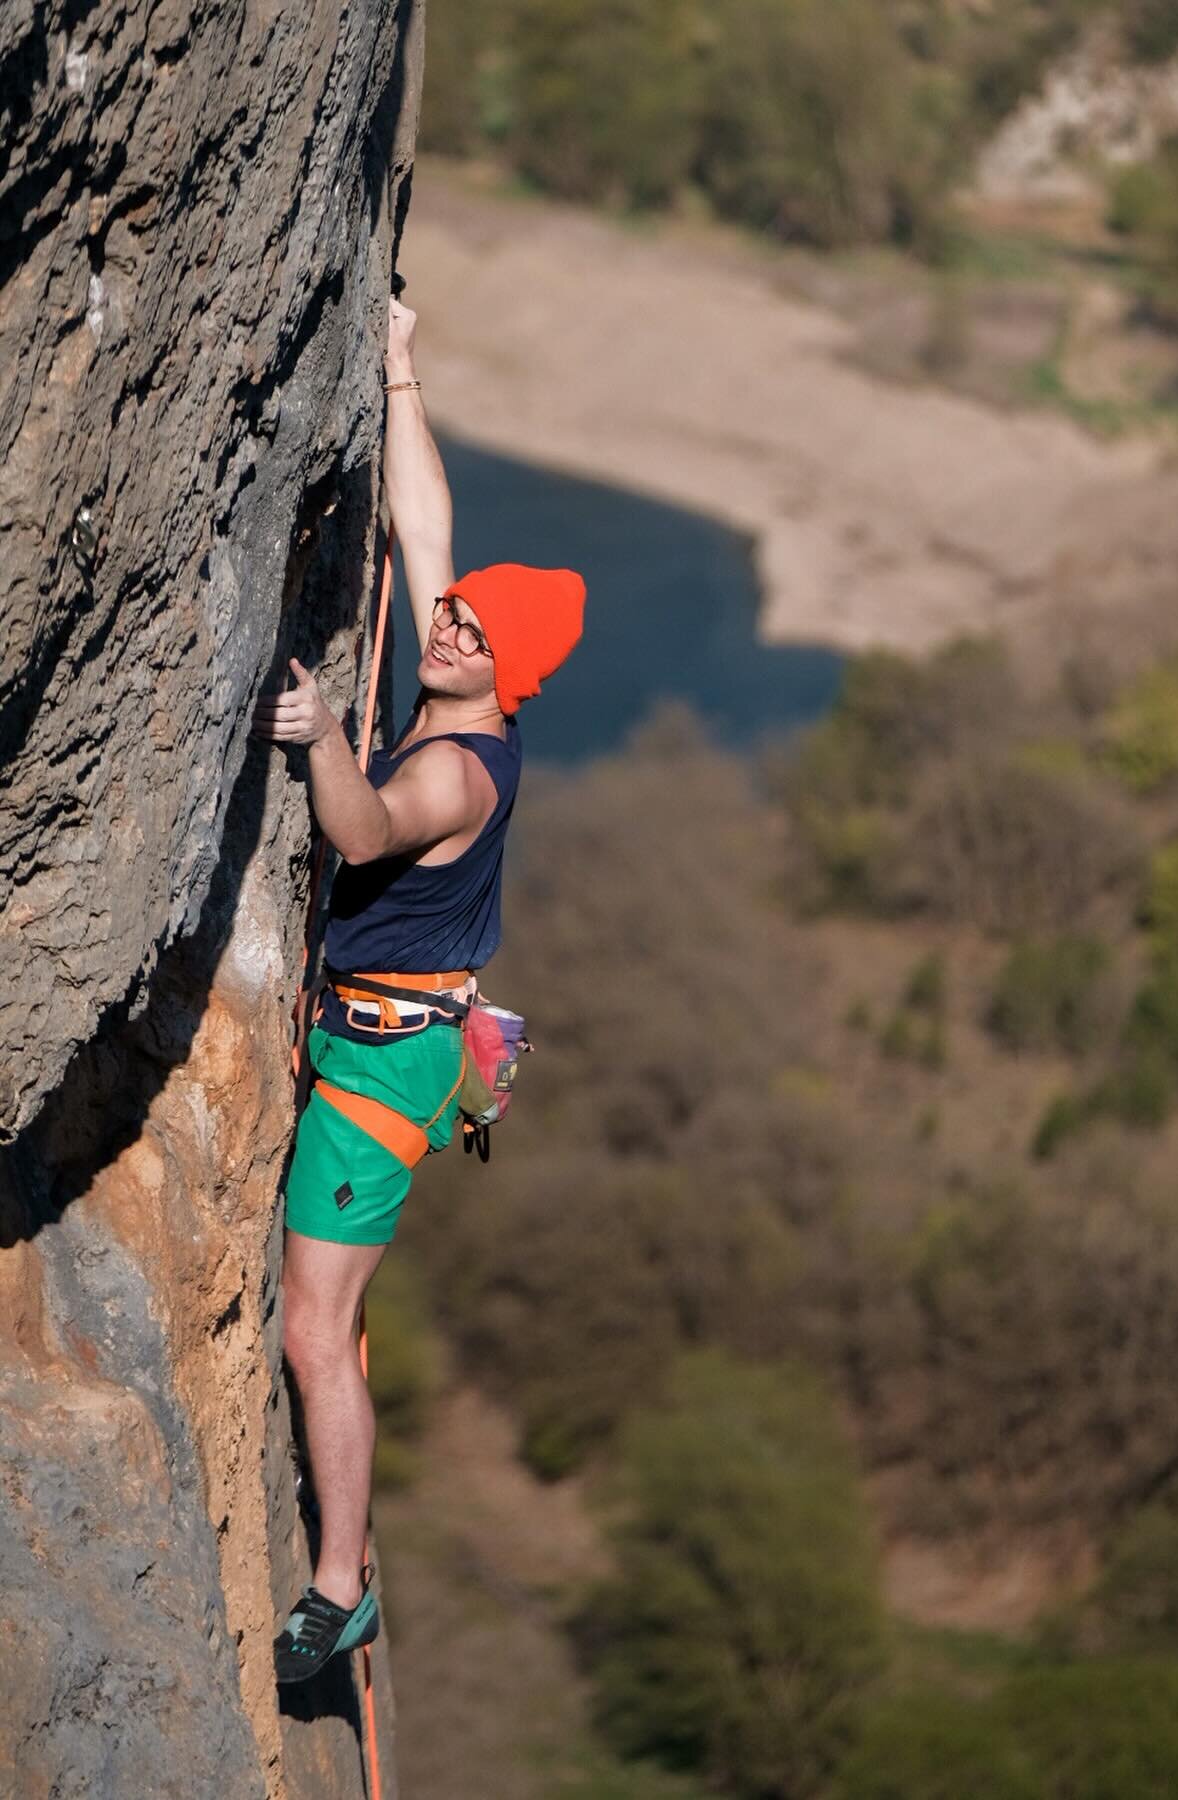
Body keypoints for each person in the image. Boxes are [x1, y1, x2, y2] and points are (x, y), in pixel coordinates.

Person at [252, 294, 585, 1682]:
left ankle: (342, 1588)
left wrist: (327, 732)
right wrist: (399, 377)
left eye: (474, 638)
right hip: (380, 1036)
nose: (446, 633)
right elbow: (424, 527)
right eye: (450, 621)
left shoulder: (453, 764)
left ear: (512, 680)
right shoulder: (458, 693)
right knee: (320, 1318)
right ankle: (342, 1572)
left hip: (382, 1073)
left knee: (313, 1328)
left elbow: (361, 833)